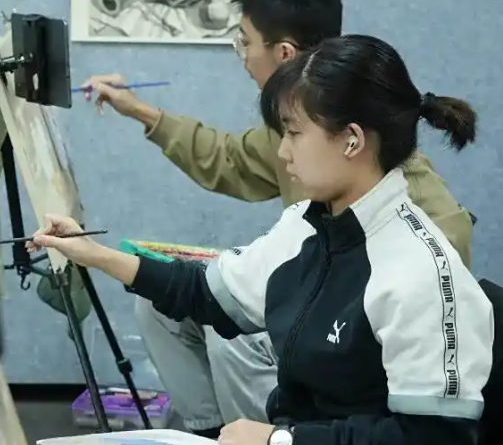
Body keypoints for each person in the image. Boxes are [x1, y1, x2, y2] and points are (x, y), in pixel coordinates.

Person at [30, 34, 492, 445]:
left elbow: (432, 436)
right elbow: (203, 293)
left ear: (351, 140)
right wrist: (93, 254)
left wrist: (280, 439)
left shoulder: (419, 270)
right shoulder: (306, 225)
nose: (284, 152)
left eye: (293, 133)